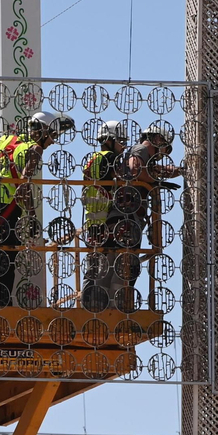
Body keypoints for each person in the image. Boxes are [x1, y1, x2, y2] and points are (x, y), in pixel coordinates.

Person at [0, 110, 74, 307]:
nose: (53, 141)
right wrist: (31, 215)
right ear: (42, 131)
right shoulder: (35, 149)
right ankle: (2, 303)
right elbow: (24, 183)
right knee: (8, 256)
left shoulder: (8, 139)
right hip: (8, 208)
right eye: (53, 135)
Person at [111, 123, 184, 312]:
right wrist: (157, 181)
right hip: (127, 215)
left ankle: (118, 300)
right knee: (126, 261)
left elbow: (155, 170)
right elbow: (136, 170)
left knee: (125, 261)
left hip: (128, 215)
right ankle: (118, 304)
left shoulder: (142, 154)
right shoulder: (141, 149)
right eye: (164, 147)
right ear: (157, 139)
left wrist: (178, 171)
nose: (162, 153)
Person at [80, 120, 128, 310]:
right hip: (105, 220)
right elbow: (119, 181)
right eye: (120, 142)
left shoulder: (94, 157)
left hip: (92, 220)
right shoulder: (109, 158)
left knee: (92, 267)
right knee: (104, 266)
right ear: (109, 140)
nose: (123, 147)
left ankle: (87, 305)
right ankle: (100, 307)